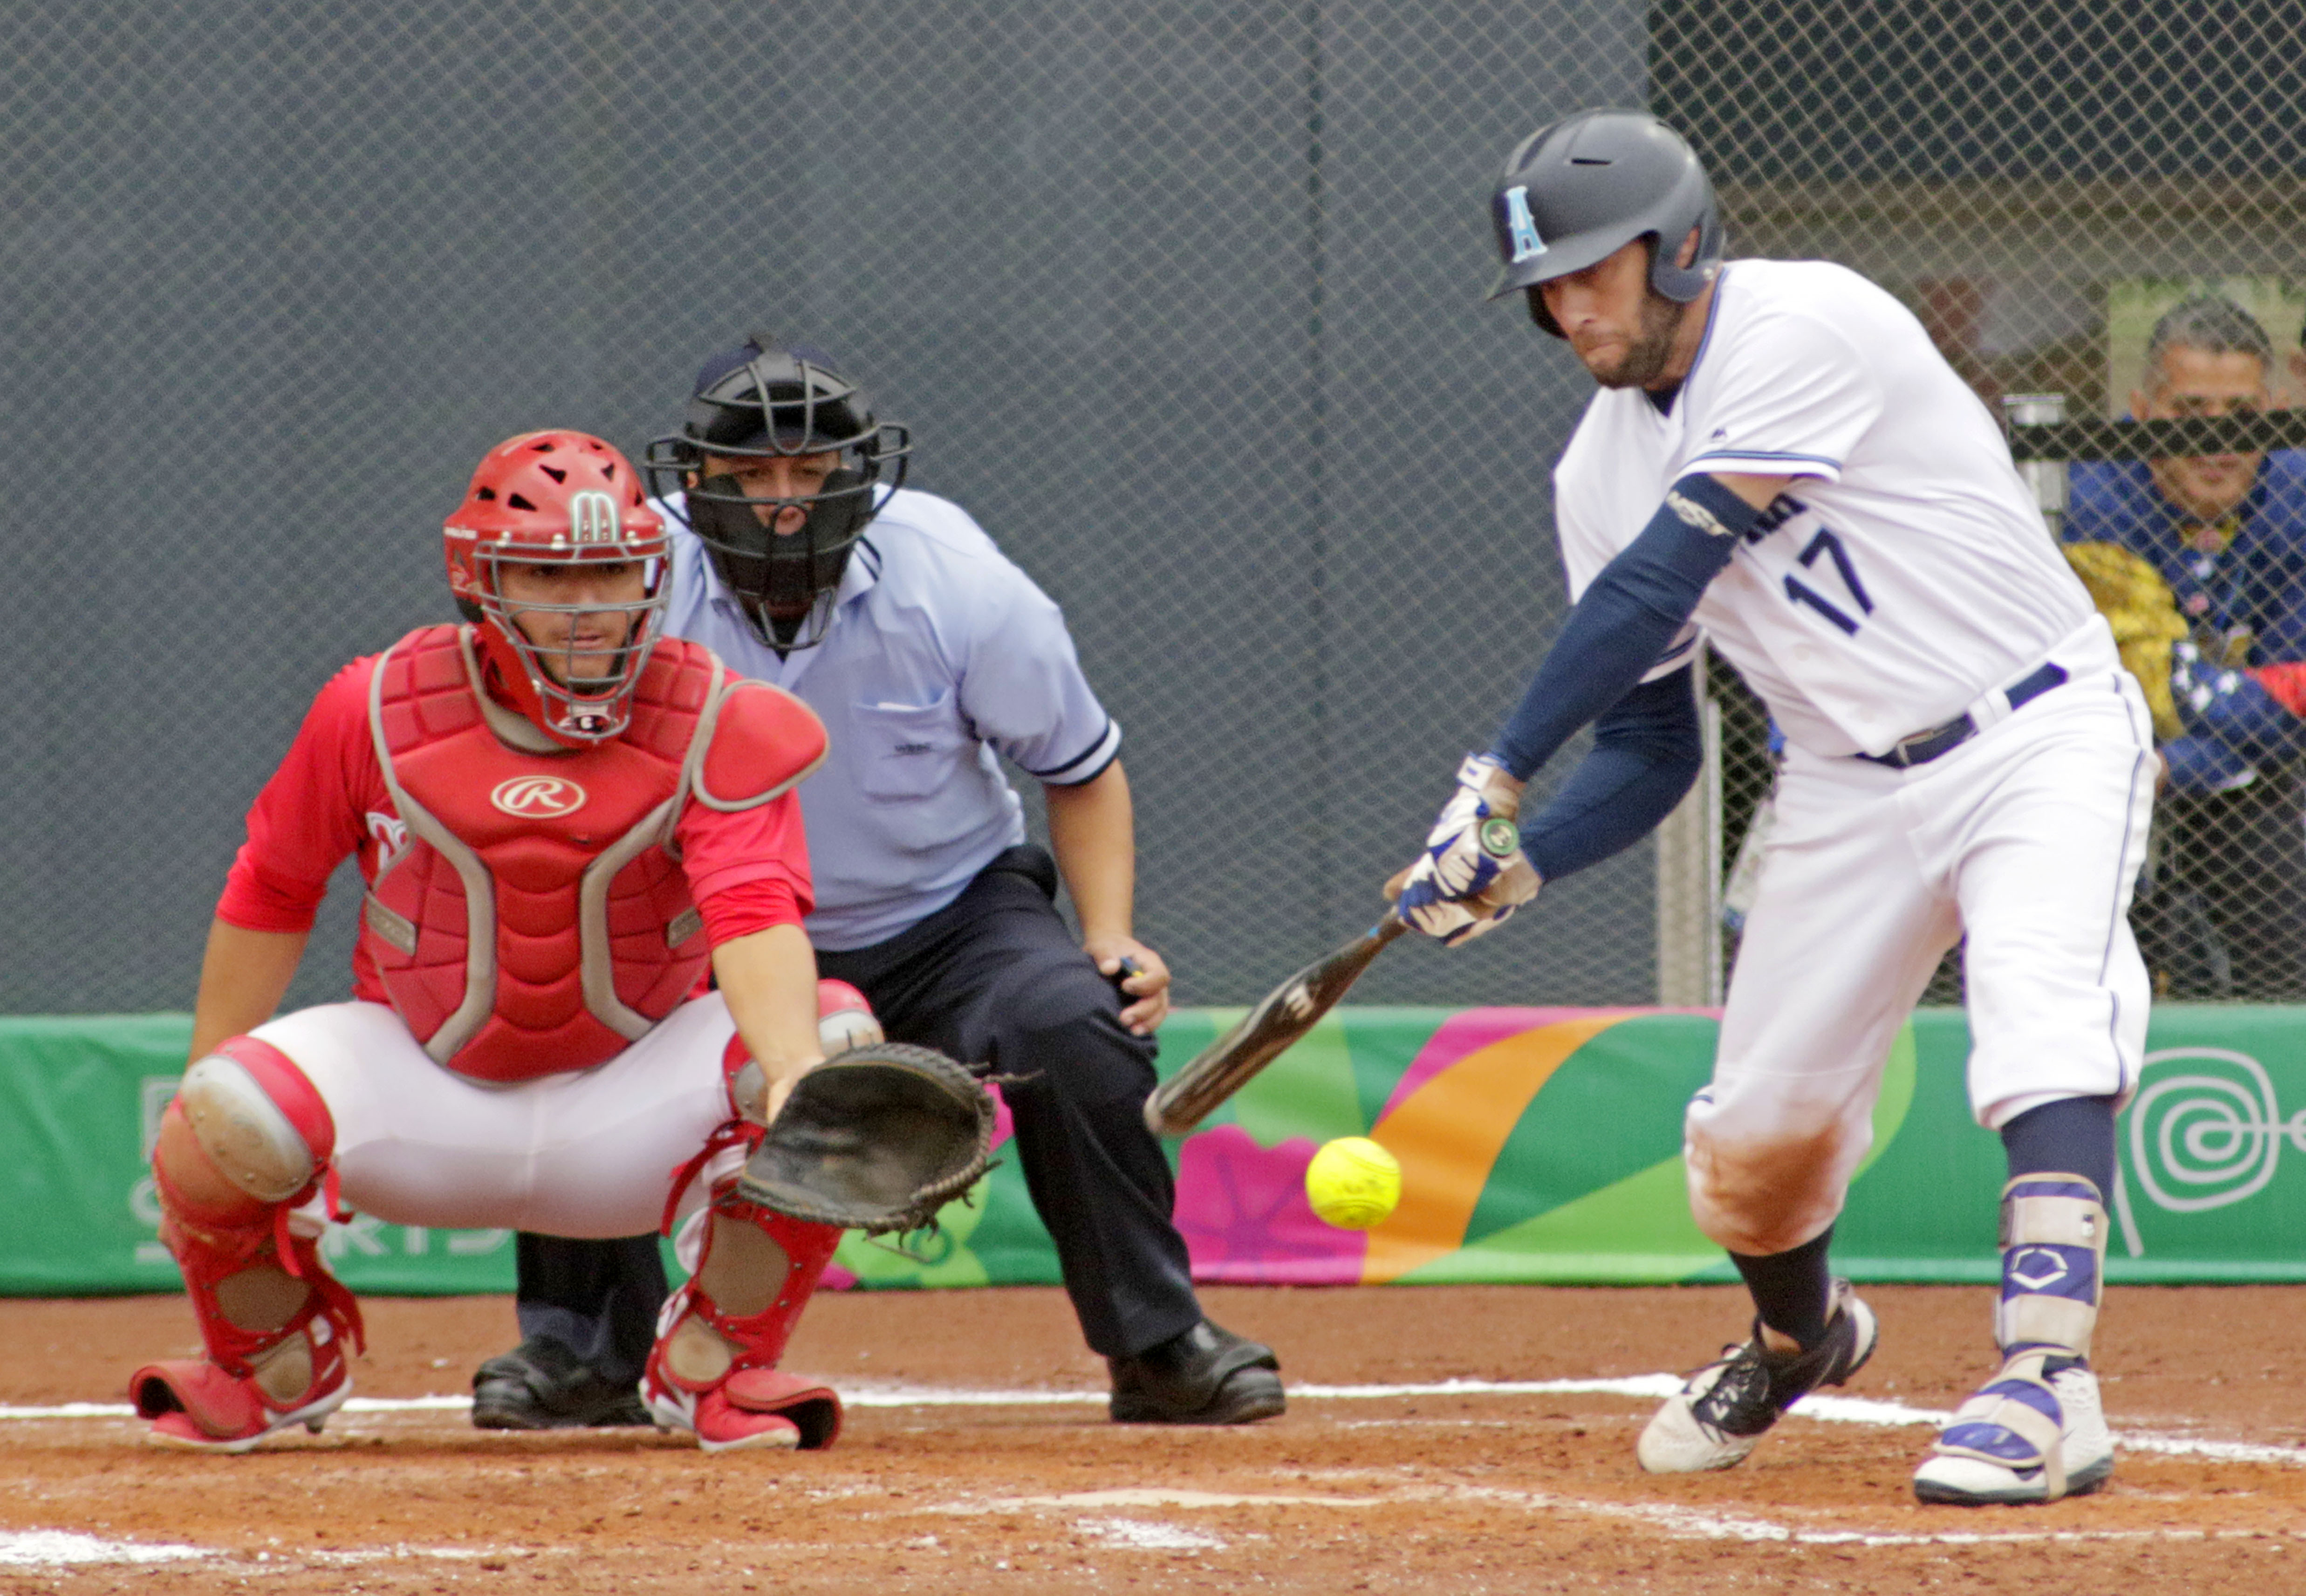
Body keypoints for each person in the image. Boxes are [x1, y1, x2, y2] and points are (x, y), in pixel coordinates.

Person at [1395, 109, 2152, 1506]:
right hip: (1842, 788)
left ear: (1676, 248)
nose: (1568, 308)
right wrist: (1524, 862)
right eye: (1545, 285)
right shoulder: (1590, 472)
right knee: (1750, 1146)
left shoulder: (1805, 322)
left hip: (2030, 723)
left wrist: (1490, 781)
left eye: (1592, 271)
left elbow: (1660, 578)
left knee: (2040, 1005)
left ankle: (2046, 1378)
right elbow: (1646, 746)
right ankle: (1804, 1334)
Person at [473, 339, 1286, 1429]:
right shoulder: (629, 584)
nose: (783, 506)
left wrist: (1111, 934)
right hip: (712, 928)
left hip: (947, 918)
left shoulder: (964, 584)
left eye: (811, 475)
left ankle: (1158, 1345)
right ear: (696, 481)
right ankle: (584, 1353)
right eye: (752, 477)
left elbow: (1080, 772)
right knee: (584, 1018)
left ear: (858, 474)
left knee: (1077, 1024)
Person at [132, 430, 860, 1455]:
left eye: (612, 572)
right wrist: (196, 1132)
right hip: (426, 1090)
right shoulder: (375, 706)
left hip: (633, 1102)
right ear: (481, 579)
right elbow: (273, 886)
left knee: (834, 1049)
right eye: (550, 577)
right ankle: (269, 1364)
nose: (589, 605)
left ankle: (716, 1367)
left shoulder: (717, 716)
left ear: (653, 576)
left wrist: (791, 1072)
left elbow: (753, 911)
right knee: (218, 1110)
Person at [2064, 295, 2306, 999]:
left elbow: (2294, 703)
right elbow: (2138, 687)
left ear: (2275, 406)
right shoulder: (2094, 492)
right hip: (2102, 775)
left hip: (2243, 781)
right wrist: (2249, 701)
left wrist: (2184, 758)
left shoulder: (2296, 491)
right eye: (2189, 413)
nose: (2216, 440)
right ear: (2142, 410)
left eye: (2239, 415)